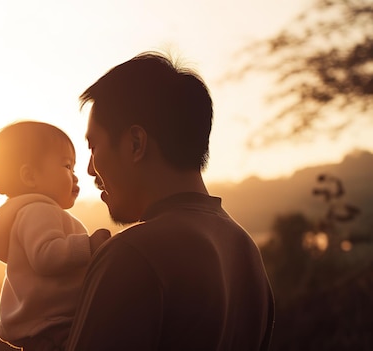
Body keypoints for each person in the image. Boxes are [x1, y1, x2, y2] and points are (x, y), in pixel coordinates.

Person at [65, 52, 275, 350]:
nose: (89, 169)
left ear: (136, 144)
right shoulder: (244, 251)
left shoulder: (132, 254)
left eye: (94, 146)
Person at [0, 121, 111, 351]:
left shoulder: (35, 211)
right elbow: (45, 255)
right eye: (67, 166)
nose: (75, 177)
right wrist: (89, 246)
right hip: (53, 328)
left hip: (49, 328)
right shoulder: (39, 210)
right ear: (30, 176)